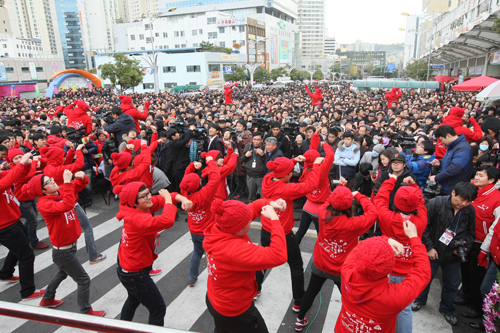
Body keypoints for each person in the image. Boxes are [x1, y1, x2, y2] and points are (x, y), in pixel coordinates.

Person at [295, 185, 377, 331]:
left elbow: (327, 201)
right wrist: (359, 195)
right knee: (349, 298)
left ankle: (299, 320)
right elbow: (372, 213)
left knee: (311, 292)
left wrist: (340, 189)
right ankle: (356, 322)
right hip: (342, 269)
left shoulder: (321, 213)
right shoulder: (354, 224)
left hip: (321, 264)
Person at [24, 170, 105, 315]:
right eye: (48, 182)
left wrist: (81, 177)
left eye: (50, 178)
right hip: (63, 251)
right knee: (84, 280)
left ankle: (47, 298)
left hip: (68, 248)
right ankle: (85, 311)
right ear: (42, 191)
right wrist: (67, 183)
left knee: (62, 273)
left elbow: (78, 186)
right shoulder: (44, 204)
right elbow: (67, 204)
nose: (53, 181)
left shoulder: (58, 192)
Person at [204, 198, 288, 333]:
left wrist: (272, 204)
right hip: (234, 310)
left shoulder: (221, 223)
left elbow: (253, 207)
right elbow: (279, 255)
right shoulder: (233, 250)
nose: (251, 221)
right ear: (239, 228)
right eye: (249, 222)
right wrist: (274, 219)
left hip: (216, 298)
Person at [113, 181, 191, 326]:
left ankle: (120, 328)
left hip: (128, 268)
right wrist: (168, 200)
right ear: (134, 203)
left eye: (148, 192)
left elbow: (169, 196)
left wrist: (183, 199)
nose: (149, 197)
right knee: (158, 308)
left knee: (133, 298)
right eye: (143, 196)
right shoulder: (137, 219)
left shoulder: (137, 208)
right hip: (135, 273)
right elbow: (167, 220)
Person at [335, 221, 431, 333]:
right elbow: (422, 272)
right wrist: (414, 237)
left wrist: (386, 240)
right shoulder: (393, 298)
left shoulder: (346, 272)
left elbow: (362, 245)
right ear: (388, 269)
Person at [257, 156, 323, 311]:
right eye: (290, 173)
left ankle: (255, 289)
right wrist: (316, 165)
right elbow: (311, 185)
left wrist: (293, 161)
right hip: (283, 233)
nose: (291, 175)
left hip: (266, 228)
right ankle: (298, 300)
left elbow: (280, 168)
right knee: (296, 265)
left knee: (262, 262)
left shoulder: (267, 179)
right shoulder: (287, 189)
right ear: (287, 175)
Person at [412, 182, 477, 327]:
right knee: (424, 279)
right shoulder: (436, 203)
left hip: (453, 255)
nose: (464, 203)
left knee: (452, 284)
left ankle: (447, 309)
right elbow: (423, 227)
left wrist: (464, 247)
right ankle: (419, 300)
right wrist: (429, 247)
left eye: (468, 201)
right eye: (462, 199)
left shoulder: (469, 210)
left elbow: (470, 233)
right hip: (433, 251)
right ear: (453, 192)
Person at [374, 175, 427, 333]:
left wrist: (391, 181)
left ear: (396, 201)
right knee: (404, 310)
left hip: (386, 270)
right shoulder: (420, 221)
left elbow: (380, 199)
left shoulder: (387, 217)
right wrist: (416, 189)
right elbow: (422, 204)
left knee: (380, 306)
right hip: (407, 272)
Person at [42, 145, 106, 265]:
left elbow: (66, 162)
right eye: (62, 156)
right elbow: (78, 165)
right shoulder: (56, 170)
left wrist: (71, 151)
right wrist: (78, 151)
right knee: (87, 228)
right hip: (69, 201)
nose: (64, 158)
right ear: (57, 157)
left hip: (62, 202)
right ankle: (93, 255)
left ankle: (69, 258)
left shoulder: (49, 168)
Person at [456, 166, 500, 319]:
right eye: (477, 174)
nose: (477, 177)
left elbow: (495, 227)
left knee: (476, 276)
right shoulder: (474, 192)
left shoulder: (496, 198)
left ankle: (477, 307)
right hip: (467, 238)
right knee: (465, 270)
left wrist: (485, 249)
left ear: (491, 180)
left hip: (481, 243)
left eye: (481, 175)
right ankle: (466, 295)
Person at [0, 152, 45, 300]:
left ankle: (5, 272)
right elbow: (8, 181)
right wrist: (22, 163)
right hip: (5, 226)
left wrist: (25, 165)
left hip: (12, 220)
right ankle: (28, 291)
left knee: (22, 244)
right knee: (26, 255)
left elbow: (15, 174)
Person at [180, 154, 221, 287]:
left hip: (194, 229)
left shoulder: (184, 192)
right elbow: (216, 178)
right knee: (214, 255)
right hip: (208, 230)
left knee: (197, 252)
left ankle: (192, 278)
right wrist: (210, 162)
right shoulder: (204, 194)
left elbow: (187, 177)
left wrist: (192, 166)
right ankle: (217, 279)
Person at [295, 131, 335, 244]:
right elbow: (330, 156)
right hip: (320, 210)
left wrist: (316, 136)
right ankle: (320, 257)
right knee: (321, 236)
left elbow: (311, 153)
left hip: (307, 206)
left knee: (300, 232)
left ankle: (290, 252)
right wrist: (324, 144)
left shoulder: (306, 168)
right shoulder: (321, 171)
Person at [8, 149, 48, 249]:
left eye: (20, 157)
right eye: (15, 158)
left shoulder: (27, 164)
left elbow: (44, 164)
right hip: (22, 199)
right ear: (12, 161)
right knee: (33, 220)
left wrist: (34, 159)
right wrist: (33, 162)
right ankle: (34, 242)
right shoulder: (14, 169)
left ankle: (26, 237)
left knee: (30, 219)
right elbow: (29, 176)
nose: (19, 160)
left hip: (30, 196)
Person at [430, 125, 473, 195]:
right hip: (447, 185)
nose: (442, 142)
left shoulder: (463, 148)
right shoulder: (452, 146)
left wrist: (437, 177)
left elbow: (455, 168)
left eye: (441, 139)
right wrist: (440, 162)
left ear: (448, 135)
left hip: (454, 187)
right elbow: (449, 161)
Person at [241, 131, 266, 202]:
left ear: (262, 140)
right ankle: (251, 211)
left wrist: (263, 155)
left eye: (258, 140)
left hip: (261, 176)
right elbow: (242, 159)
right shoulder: (248, 146)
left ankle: (263, 211)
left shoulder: (265, 147)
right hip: (250, 175)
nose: (256, 142)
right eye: (254, 139)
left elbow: (269, 162)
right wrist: (246, 156)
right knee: (251, 196)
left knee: (263, 196)